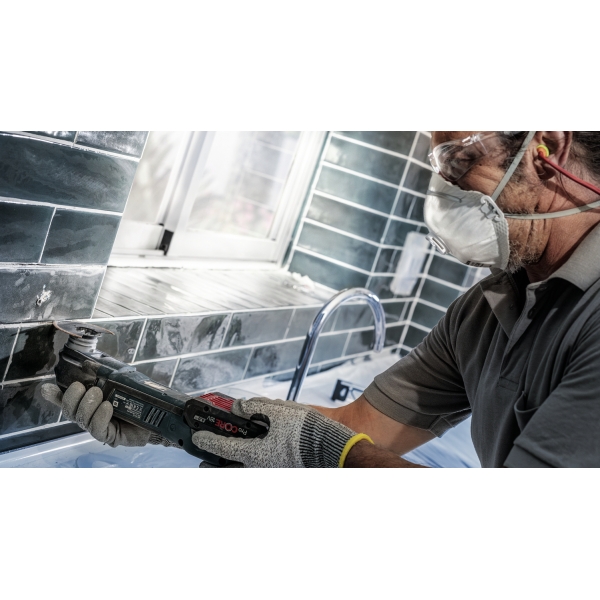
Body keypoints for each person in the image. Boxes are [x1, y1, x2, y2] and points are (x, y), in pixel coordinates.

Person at [42, 131, 600, 468]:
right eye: (438, 168)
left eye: (457, 162)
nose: (442, 191)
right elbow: (361, 422)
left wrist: (334, 455)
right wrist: (172, 421)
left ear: (547, 148)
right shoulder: (486, 310)